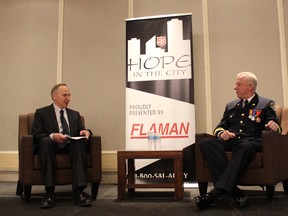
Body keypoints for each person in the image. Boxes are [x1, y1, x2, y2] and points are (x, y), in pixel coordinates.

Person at [196, 72, 281, 210]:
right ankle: (235, 191)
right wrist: (222, 133)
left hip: (252, 141)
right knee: (206, 143)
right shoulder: (231, 105)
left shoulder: (266, 104)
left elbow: (276, 127)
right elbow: (220, 126)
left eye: (238, 84)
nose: (235, 87)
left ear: (250, 87)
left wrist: (273, 126)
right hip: (233, 140)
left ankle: (216, 192)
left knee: (245, 147)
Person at [32, 83, 92, 209]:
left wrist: (86, 132)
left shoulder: (74, 114)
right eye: (65, 95)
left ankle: (78, 192)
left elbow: (81, 130)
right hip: (51, 146)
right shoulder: (42, 112)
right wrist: (53, 136)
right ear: (54, 96)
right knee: (45, 141)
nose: (68, 98)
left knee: (80, 141)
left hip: (70, 146)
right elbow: (36, 134)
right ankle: (49, 193)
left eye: (69, 95)